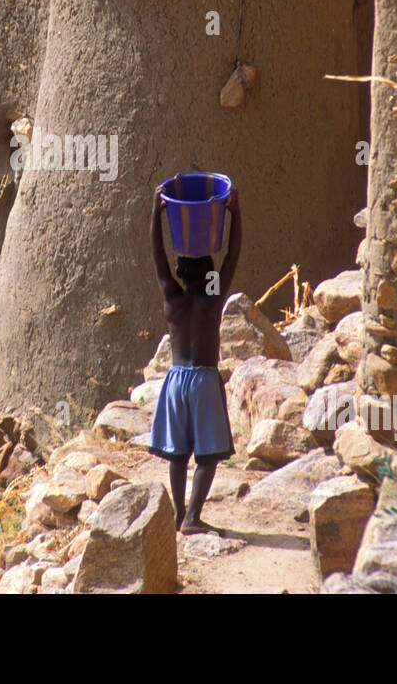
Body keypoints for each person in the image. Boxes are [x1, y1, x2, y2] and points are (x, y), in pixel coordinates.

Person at [148, 183, 241, 534]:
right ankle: (192, 518)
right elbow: (232, 256)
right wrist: (236, 213)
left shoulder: (172, 297)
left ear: (180, 272)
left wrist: (154, 210)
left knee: (177, 452)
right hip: (203, 379)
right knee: (208, 454)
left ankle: (177, 512)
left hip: (174, 380)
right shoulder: (212, 301)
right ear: (209, 275)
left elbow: (158, 255)